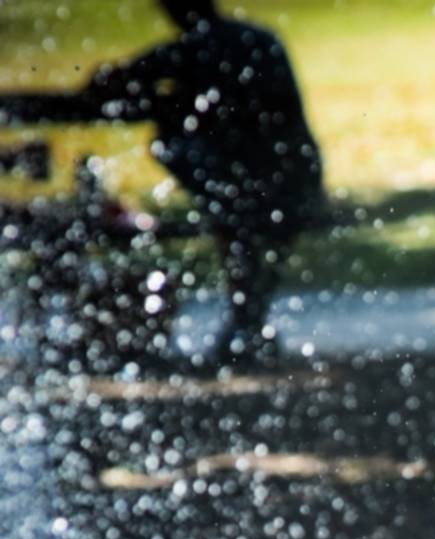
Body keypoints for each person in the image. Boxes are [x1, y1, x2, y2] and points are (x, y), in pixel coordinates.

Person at [0, 0, 324, 369]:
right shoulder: (252, 40)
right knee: (240, 222)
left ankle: (245, 322)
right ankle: (246, 322)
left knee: (199, 173)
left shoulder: (197, 50)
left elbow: (117, 83)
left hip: (260, 189)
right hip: (294, 178)